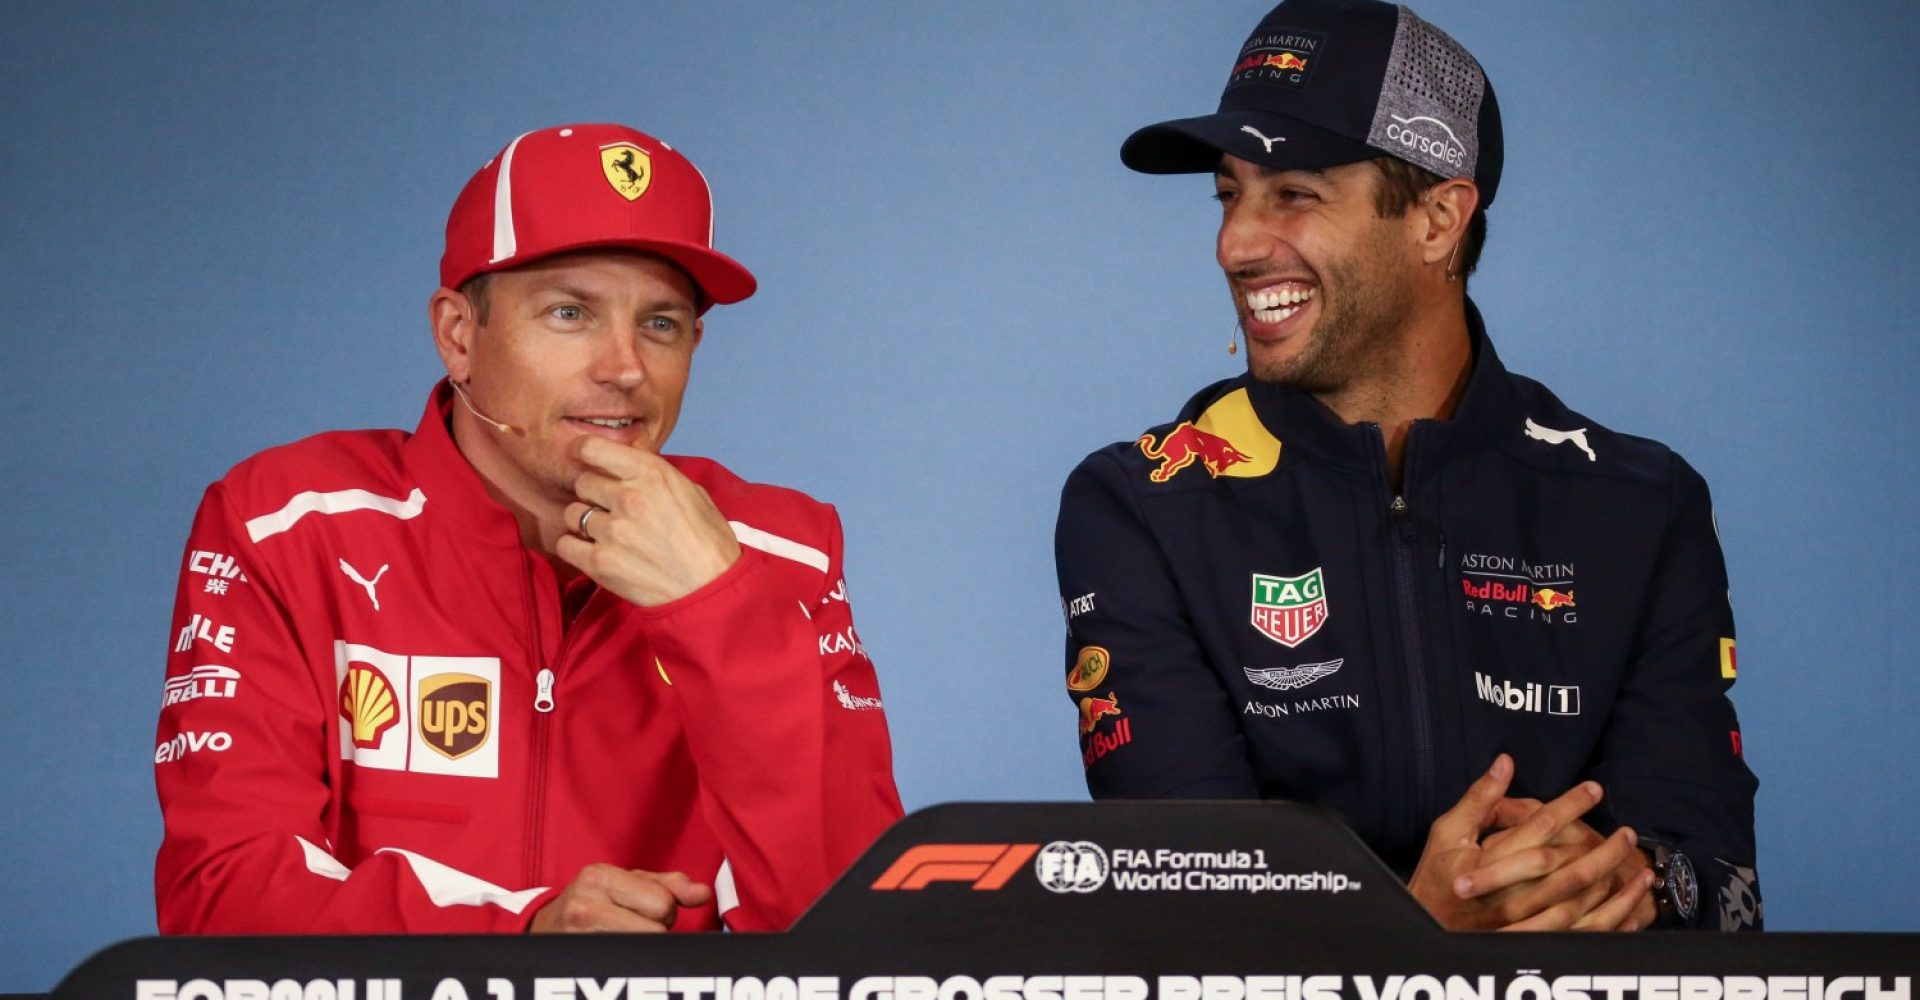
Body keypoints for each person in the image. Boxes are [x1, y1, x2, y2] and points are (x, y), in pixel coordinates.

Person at [1055, 0, 1760, 932]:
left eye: (1293, 194)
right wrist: (1416, 937)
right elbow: (1187, 914)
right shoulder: (1142, 505)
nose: (1235, 244)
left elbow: (1730, 899)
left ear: (1438, 219)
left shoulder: (1642, 504)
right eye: (1229, 194)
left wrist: (1620, 881)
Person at [154, 123, 903, 934]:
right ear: (459, 336)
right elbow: (221, 899)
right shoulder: (287, 522)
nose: (624, 367)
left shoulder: (781, 549)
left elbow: (860, 938)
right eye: (570, 312)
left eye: (661, 323)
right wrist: (520, 941)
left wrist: (721, 611)